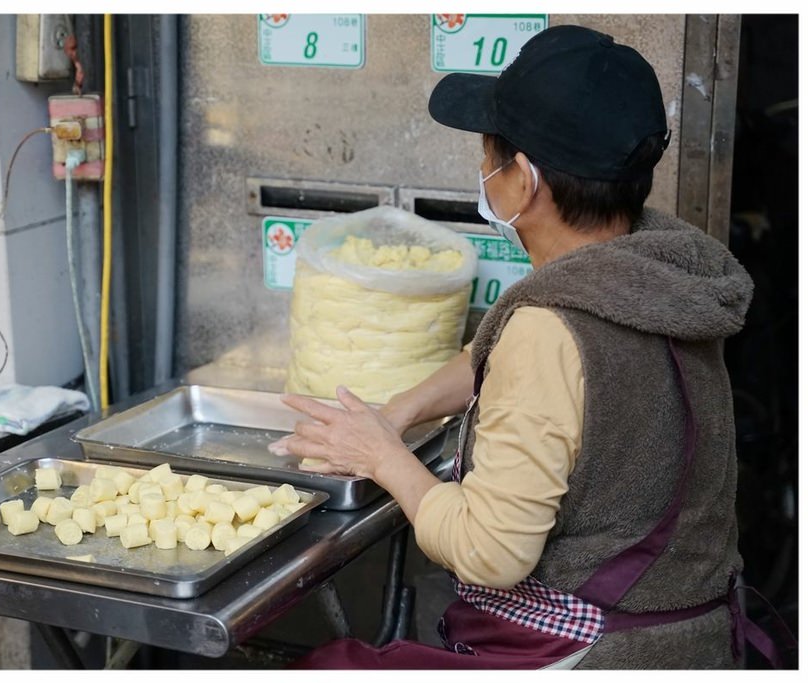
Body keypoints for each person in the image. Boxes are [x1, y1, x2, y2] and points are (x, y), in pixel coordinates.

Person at [270, 25, 760, 668]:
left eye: (488, 156)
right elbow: (501, 361)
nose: (481, 173)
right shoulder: (656, 275)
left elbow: (489, 552)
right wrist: (400, 412)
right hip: (692, 636)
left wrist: (384, 457)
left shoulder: (554, 325)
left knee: (328, 667)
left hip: (597, 653)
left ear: (522, 181)